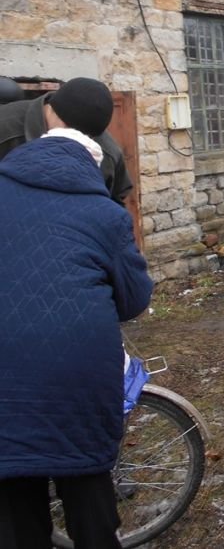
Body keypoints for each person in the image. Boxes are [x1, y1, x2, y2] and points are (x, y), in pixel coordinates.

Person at [0, 84, 153, 548]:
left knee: (14, 502)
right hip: (79, 373)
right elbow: (133, 300)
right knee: (87, 484)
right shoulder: (104, 216)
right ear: (95, 161)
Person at [0, 77, 132, 204]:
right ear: (51, 109)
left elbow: (117, 198)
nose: (75, 140)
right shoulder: (6, 128)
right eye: (68, 129)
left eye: (85, 136)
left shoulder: (107, 152)